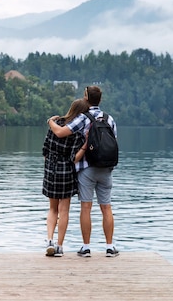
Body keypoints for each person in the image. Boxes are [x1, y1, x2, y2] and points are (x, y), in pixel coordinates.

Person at [47, 85, 119, 257]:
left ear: (86, 98)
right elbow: (114, 142)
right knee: (106, 208)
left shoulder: (83, 118)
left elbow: (61, 132)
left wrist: (50, 121)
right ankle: (110, 247)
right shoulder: (109, 119)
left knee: (86, 207)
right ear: (100, 100)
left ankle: (86, 247)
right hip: (106, 169)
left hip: (87, 168)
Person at [42, 98, 89, 257]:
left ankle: (49, 240)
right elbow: (74, 158)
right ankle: (60, 246)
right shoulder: (77, 132)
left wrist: (50, 165)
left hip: (51, 168)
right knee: (64, 210)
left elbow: (45, 151)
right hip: (66, 170)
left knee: (52, 208)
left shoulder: (55, 124)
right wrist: (84, 145)